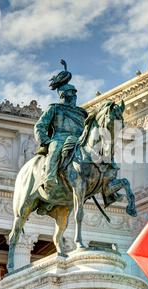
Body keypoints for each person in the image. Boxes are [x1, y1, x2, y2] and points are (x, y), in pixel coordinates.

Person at [34, 60, 87, 191]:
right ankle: (50, 178)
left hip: (79, 141)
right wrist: (46, 141)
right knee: (55, 149)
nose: (75, 96)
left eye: (75, 93)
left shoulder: (82, 113)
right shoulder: (55, 109)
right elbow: (40, 126)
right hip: (60, 138)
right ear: (64, 95)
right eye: (72, 93)